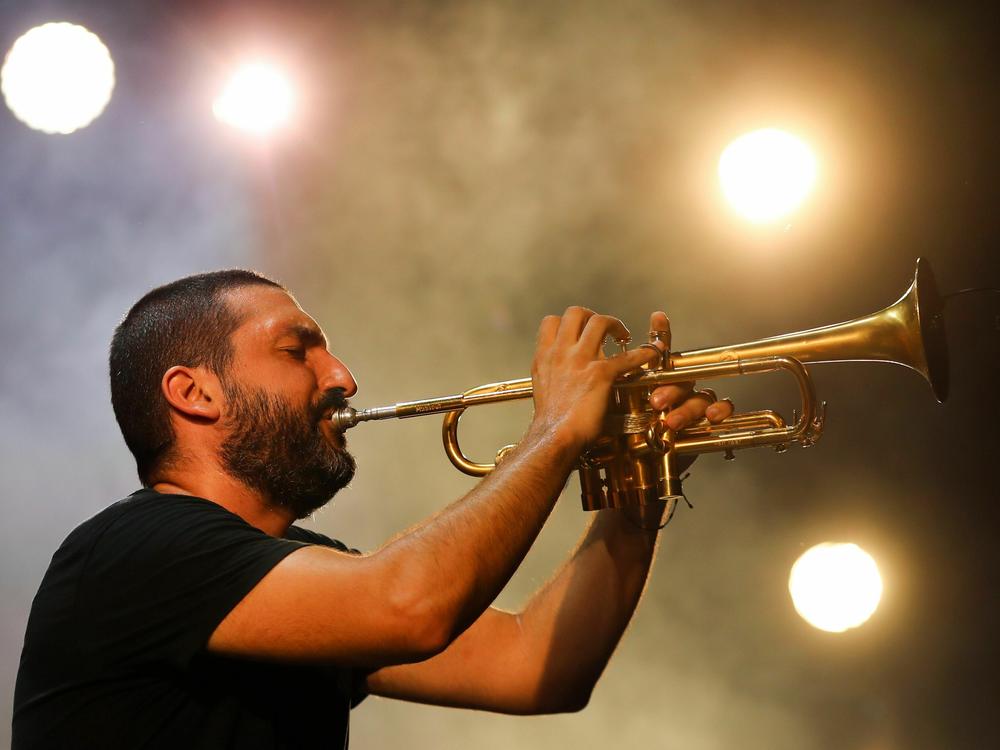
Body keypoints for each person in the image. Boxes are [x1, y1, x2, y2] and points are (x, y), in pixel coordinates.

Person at [12, 270, 733, 749]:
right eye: (299, 351)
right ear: (194, 393)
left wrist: (637, 492)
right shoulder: (133, 550)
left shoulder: (298, 568)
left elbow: (539, 669)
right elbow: (409, 605)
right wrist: (553, 430)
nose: (343, 377)